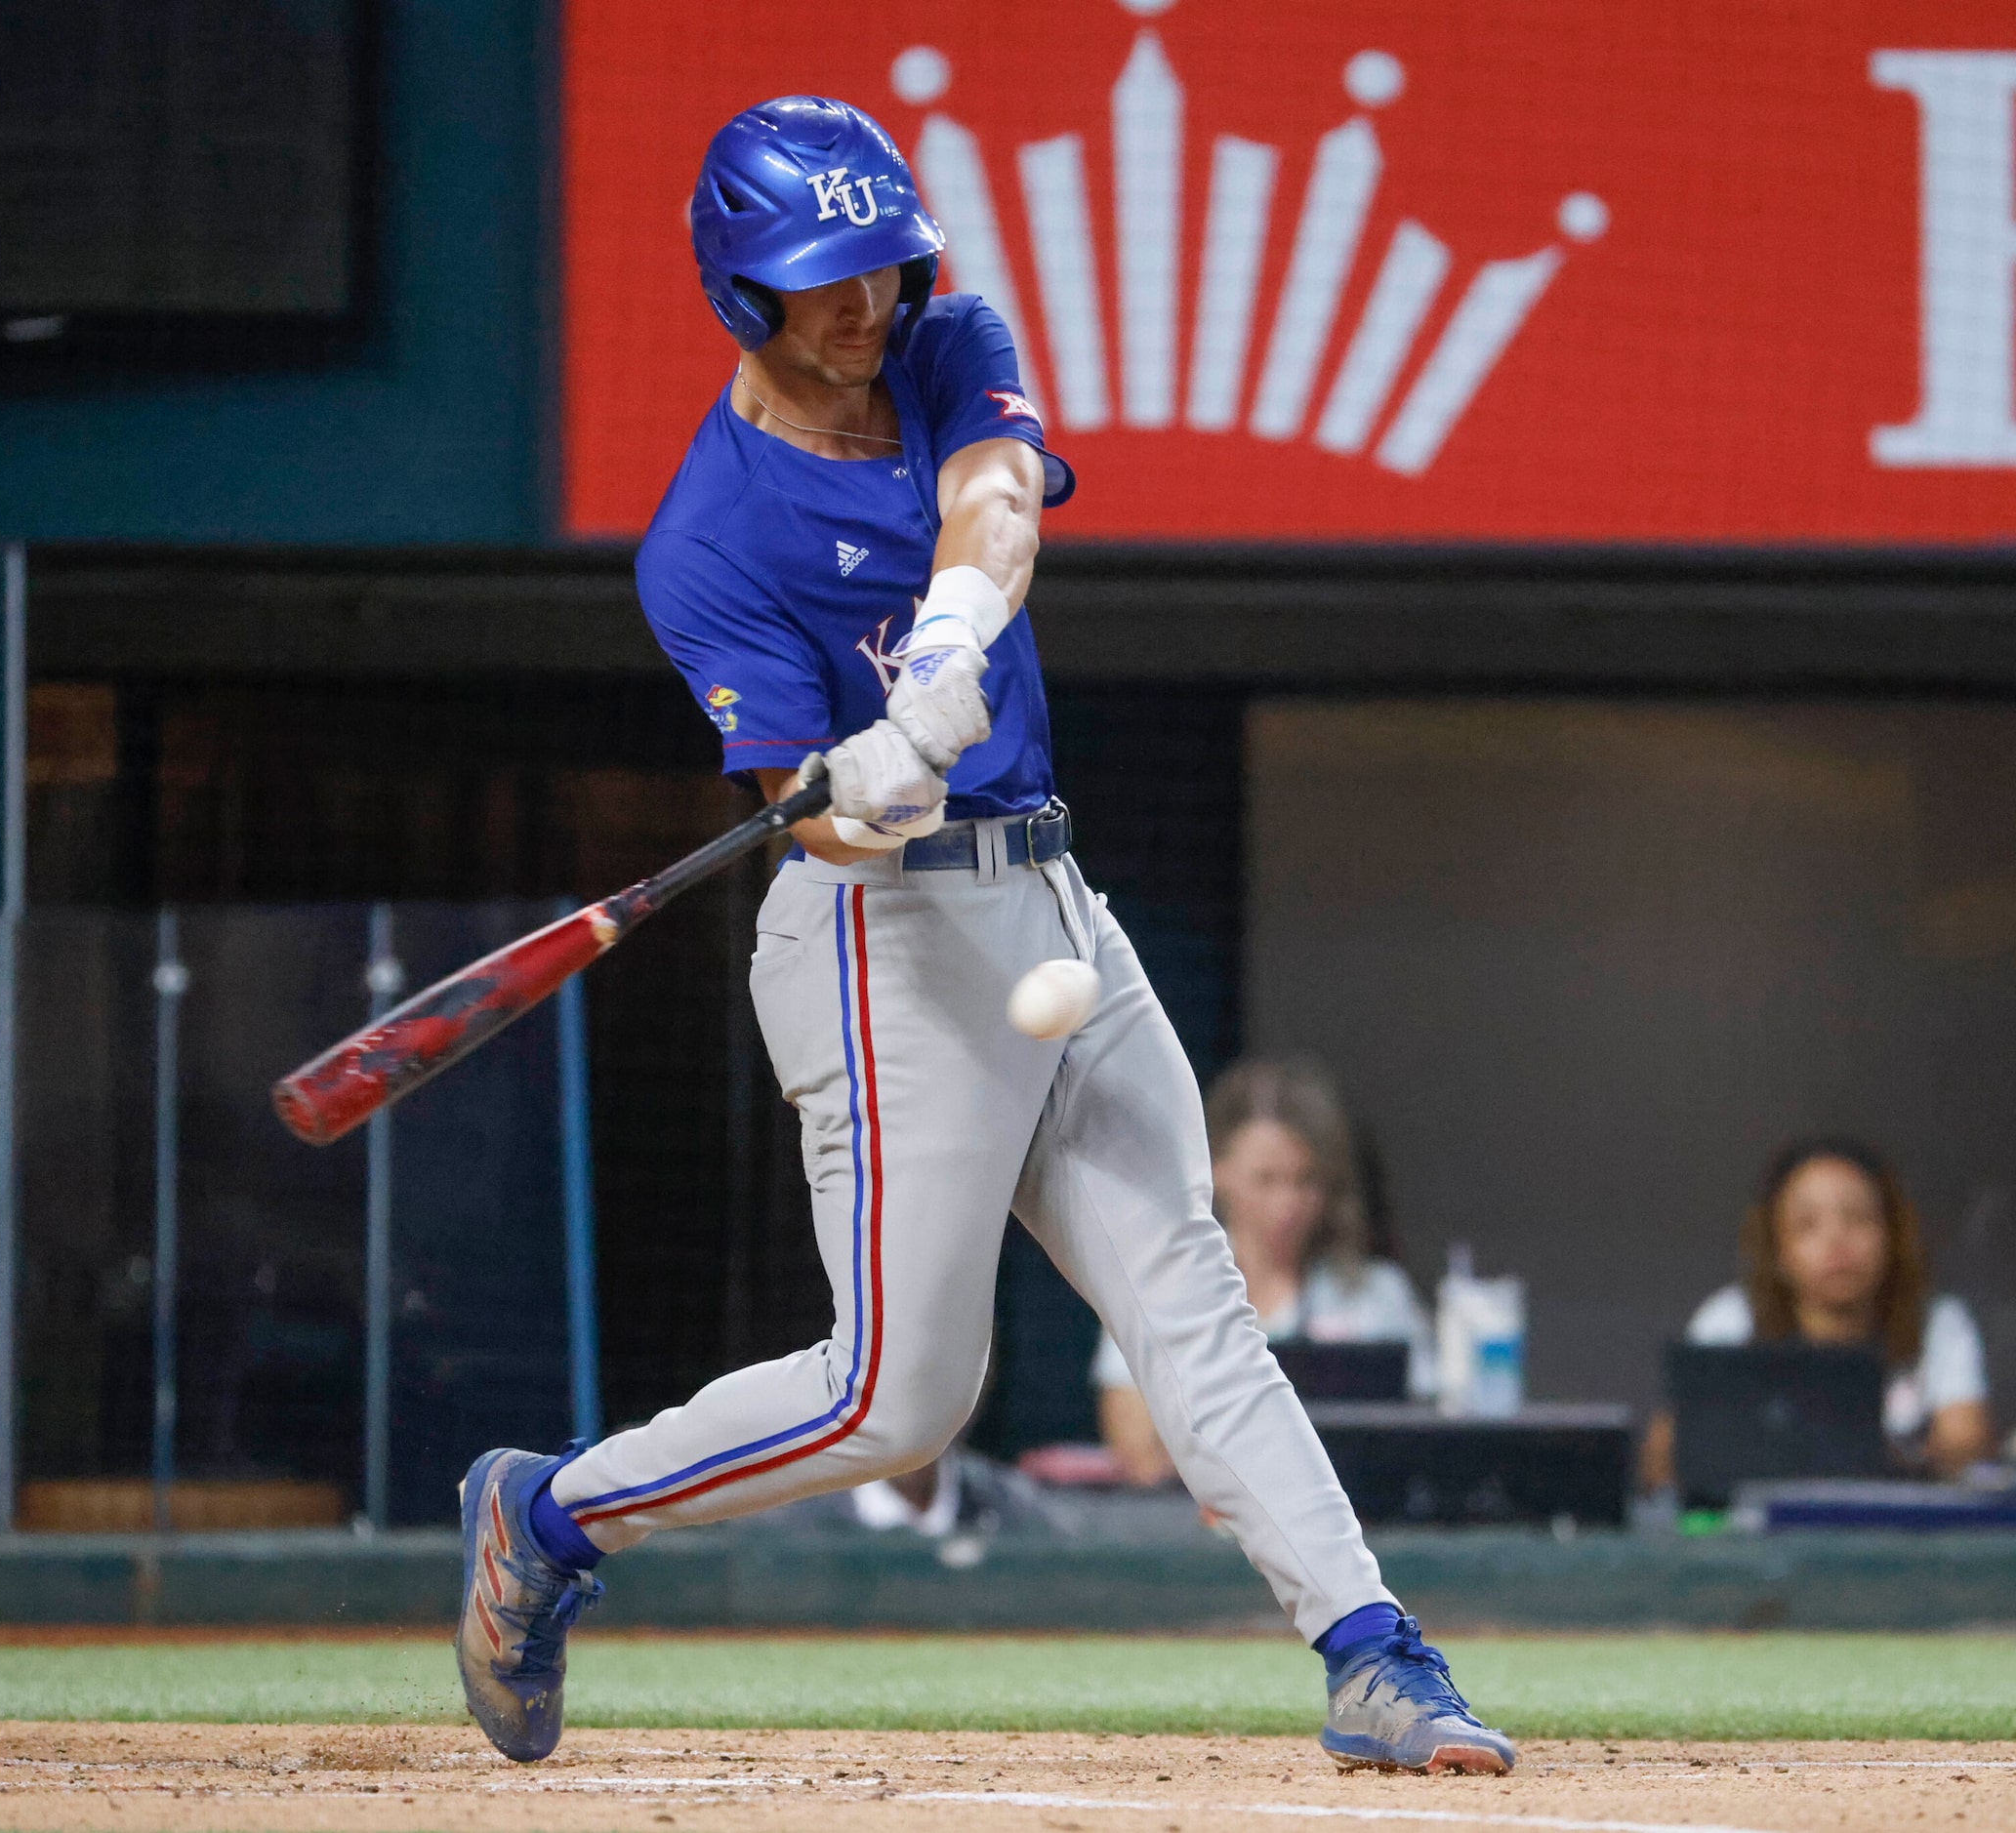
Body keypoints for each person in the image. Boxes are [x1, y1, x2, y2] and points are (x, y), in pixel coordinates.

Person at [444, 98, 1509, 1778]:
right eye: (825, 281)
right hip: (880, 932)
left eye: (881, 264)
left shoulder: (948, 343)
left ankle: (1372, 1650)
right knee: (897, 1396)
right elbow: (823, 818)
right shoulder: (704, 539)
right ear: (745, 290)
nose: (866, 305)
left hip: (1047, 895)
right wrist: (861, 781)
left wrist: (943, 652)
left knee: (1189, 1292)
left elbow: (996, 503)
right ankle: (551, 1512)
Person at [1094, 1058, 1435, 1486]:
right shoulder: (1161, 1287)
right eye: (1266, 1180)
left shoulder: (1378, 1294)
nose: (1287, 1204)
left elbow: (1423, 1438)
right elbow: (1136, 1452)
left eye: (1306, 1181)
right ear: (1216, 1172)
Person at [1646, 1139, 1991, 1487]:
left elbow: (1966, 1445)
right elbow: (1663, 1457)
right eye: (1806, 1224)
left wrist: (1875, 1457)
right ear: (1777, 1248)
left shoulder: (1938, 1321)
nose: (1836, 1239)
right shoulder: (1732, 1318)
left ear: (1893, 1234)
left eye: (1858, 1217)